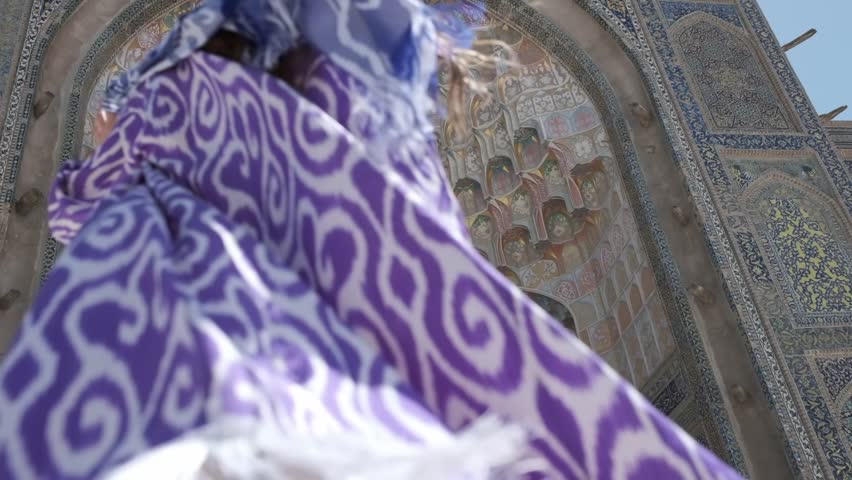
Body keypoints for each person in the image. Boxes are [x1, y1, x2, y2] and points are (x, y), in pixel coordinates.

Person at [0, 0, 744, 478]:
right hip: (397, 394)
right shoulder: (390, 119)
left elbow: (78, 209)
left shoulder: (192, 88)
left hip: (221, 368)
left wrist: (105, 146)